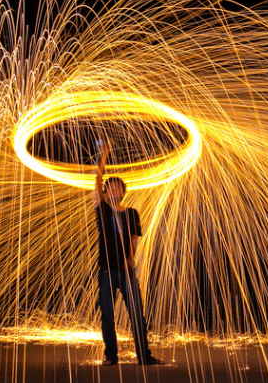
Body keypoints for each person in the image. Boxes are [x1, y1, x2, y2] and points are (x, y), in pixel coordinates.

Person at [92, 139, 163, 366]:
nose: (113, 189)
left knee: (137, 316)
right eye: (110, 186)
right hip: (106, 270)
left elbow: (134, 241)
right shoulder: (102, 210)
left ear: (123, 191)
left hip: (126, 271)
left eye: (117, 186)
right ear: (106, 191)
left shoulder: (132, 213)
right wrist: (104, 156)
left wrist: (131, 260)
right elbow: (96, 182)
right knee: (108, 316)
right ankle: (111, 357)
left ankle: (145, 356)